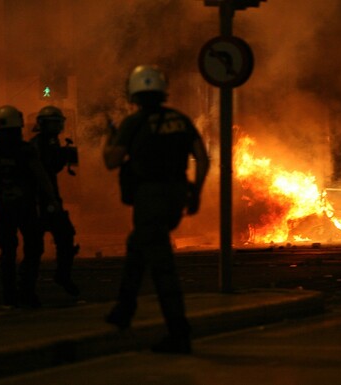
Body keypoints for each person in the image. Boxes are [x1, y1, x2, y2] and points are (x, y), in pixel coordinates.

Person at [102, 65, 209, 354]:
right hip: (175, 196)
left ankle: (179, 333)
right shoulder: (181, 121)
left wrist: (109, 139)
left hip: (149, 198)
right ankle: (123, 310)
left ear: (134, 93)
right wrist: (196, 193)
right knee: (137, 246)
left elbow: (112, 161)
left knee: (162, 267)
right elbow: (202, 157)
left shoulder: (133, 123)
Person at [0, 105, 59, 308]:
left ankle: (9, 295)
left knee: (7, 252)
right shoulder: (26, 150)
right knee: (33, 248)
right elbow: (41, 177)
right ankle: (27, 292)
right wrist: (52, 199)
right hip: (25, 208)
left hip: (3, 208)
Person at [30, 105, 80, 296]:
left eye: (59, 122)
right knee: (37, 246)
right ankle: (29, 288)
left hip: (48, 199)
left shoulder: (48, 143)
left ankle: (61, 276)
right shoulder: (40, 145)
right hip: (41, 201)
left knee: (65, 237)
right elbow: (46, 169)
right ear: (43, 124)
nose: (58, 126)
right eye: (54, 122)